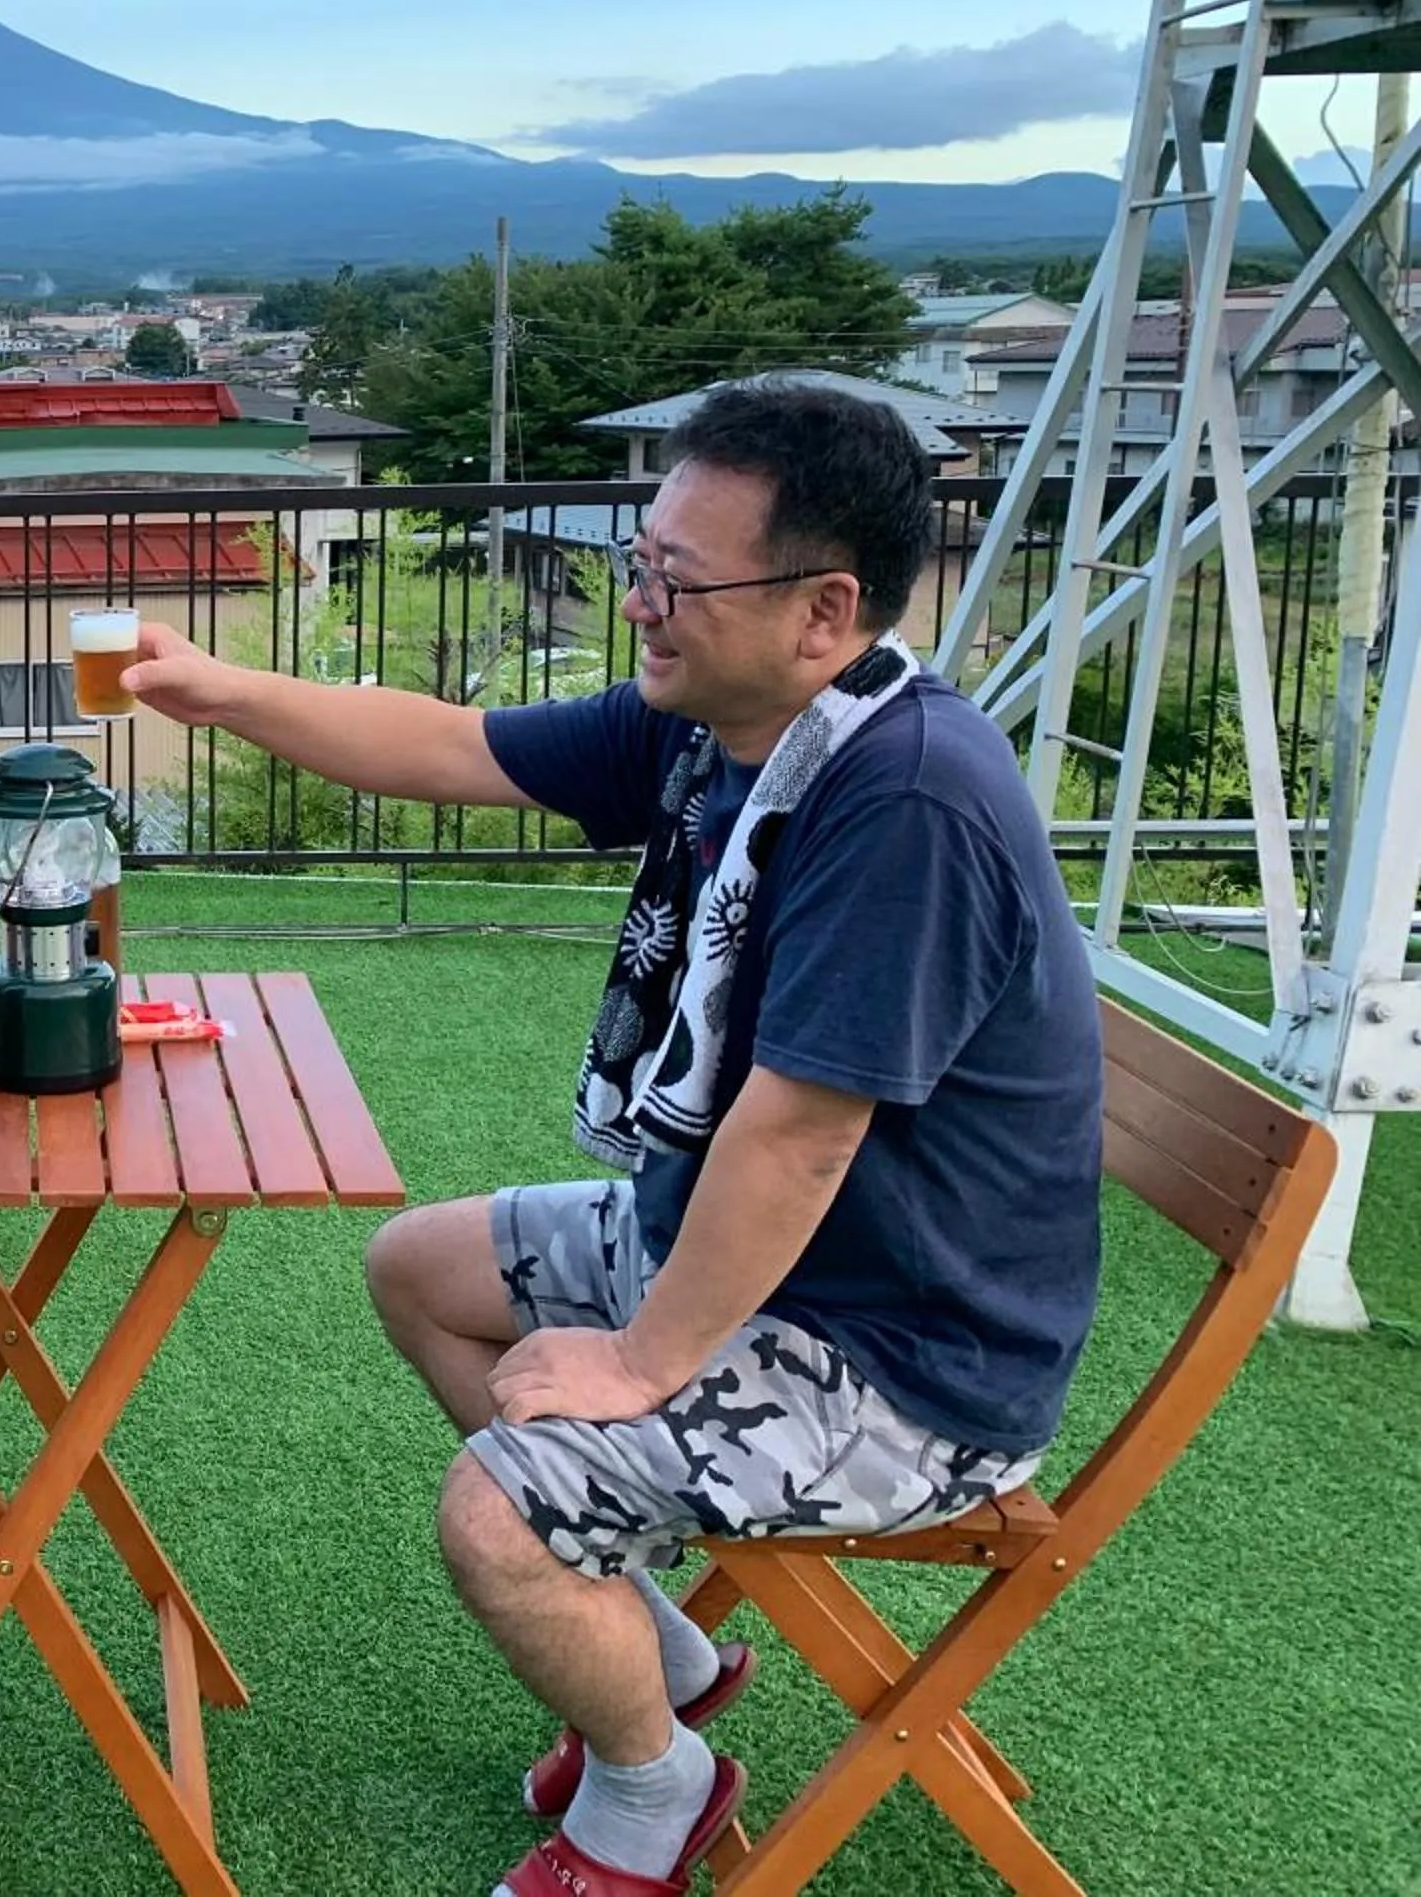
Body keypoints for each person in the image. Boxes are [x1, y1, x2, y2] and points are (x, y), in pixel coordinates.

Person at [118, 375, 1104, 1897]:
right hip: (769, 1258)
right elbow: (453, 744)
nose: (639, 604)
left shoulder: (903, 803)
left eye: (675, 581)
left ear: (825, 611)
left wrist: (641, 1361)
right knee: (421, 1268)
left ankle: (654, 1799)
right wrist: (220, 689)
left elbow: (798, 1135)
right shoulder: (725, 728)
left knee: (499, 1515)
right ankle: (666, 1658)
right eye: (641, 563)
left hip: (907, 1357)